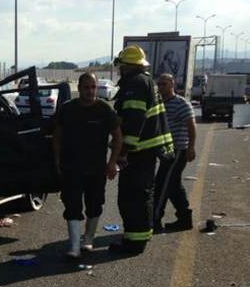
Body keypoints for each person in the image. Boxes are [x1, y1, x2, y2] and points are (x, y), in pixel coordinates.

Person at [110, 45, 174, 255]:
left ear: (128, 66)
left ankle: (134, 243)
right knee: (140, 195)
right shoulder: (145, 81)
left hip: (139, 152)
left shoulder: (135, 84)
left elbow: (134, 120)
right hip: (146, 152)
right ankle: (137, 238)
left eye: (121, 66)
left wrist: (123, 152)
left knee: (132, 197)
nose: (120, 70)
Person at [53, 72, 122, 259]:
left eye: (93, 87)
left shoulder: (105, 110)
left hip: (97, 169)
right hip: (71, 168)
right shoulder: (67, 109)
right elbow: (57, 136)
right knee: (72, 206)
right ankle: (74, 246)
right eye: (86, 87)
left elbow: (117, 137)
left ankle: (88, 239)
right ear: (79, 88)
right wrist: (57, 161)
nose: (90, 91)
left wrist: (112, 162)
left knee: (94, 205)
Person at [153, 73, 196, 232]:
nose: (161, 87)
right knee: (173, 186)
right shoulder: (159, 103)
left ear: (172, 85)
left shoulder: (181, 104)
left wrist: (191, 147)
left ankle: (154, 220)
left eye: (164, 84)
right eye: (159, 84)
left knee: (162, 185)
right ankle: (184, 218)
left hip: (178, 150)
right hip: (166, 152)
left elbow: (191, 126)